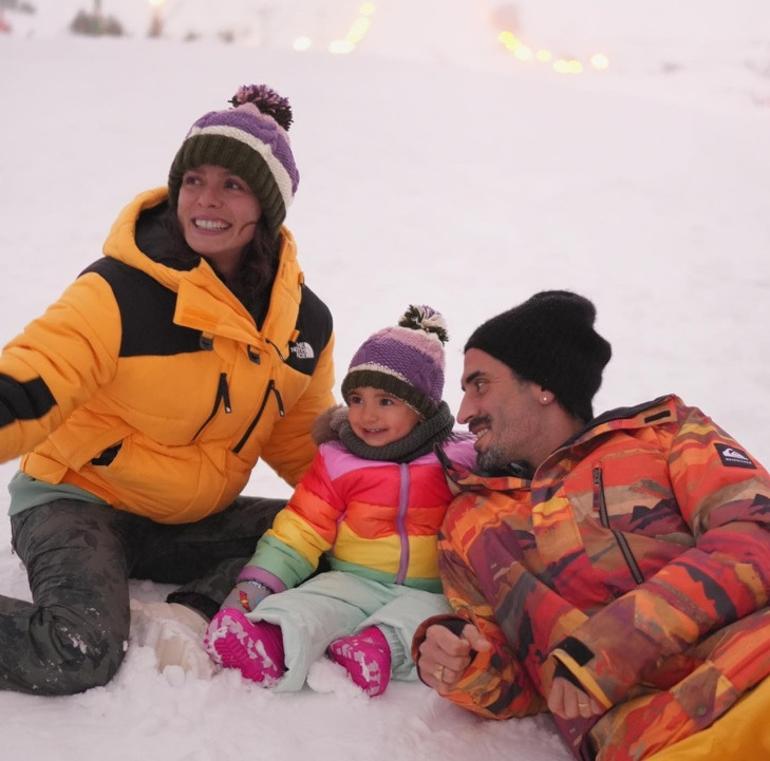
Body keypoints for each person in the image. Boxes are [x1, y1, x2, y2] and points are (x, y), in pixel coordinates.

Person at [0, 84, 335, 694]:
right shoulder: (119, 291)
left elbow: (298, 444)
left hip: (184, 520)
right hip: (77, 500)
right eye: (194, 180)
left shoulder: (301, 323)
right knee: (76, 650)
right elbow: (40, 372)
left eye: (232, 185)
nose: (206, 200)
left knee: (324, 538)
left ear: (267, 208)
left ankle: (189, 613)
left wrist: (386, 500)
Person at [413, 291, 770, 761]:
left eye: (479, 384)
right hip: (657, 740)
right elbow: (526, 684)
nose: (463, 412)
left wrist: (611, 645)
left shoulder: (664, 434)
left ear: (543, 385)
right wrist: (462, 661)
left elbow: (755, 532)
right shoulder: (471, 524)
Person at [204, 306, 475, 696]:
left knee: (429, 623)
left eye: (386, 401)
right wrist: (252, 590)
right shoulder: (338, 461)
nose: (367, 415)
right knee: (313, 602)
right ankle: (268, 638)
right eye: (357, 399)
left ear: (423, 408)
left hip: (433, 590)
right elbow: (300, 530)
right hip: (353, 579)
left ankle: (375, 650)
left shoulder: (459, 459)